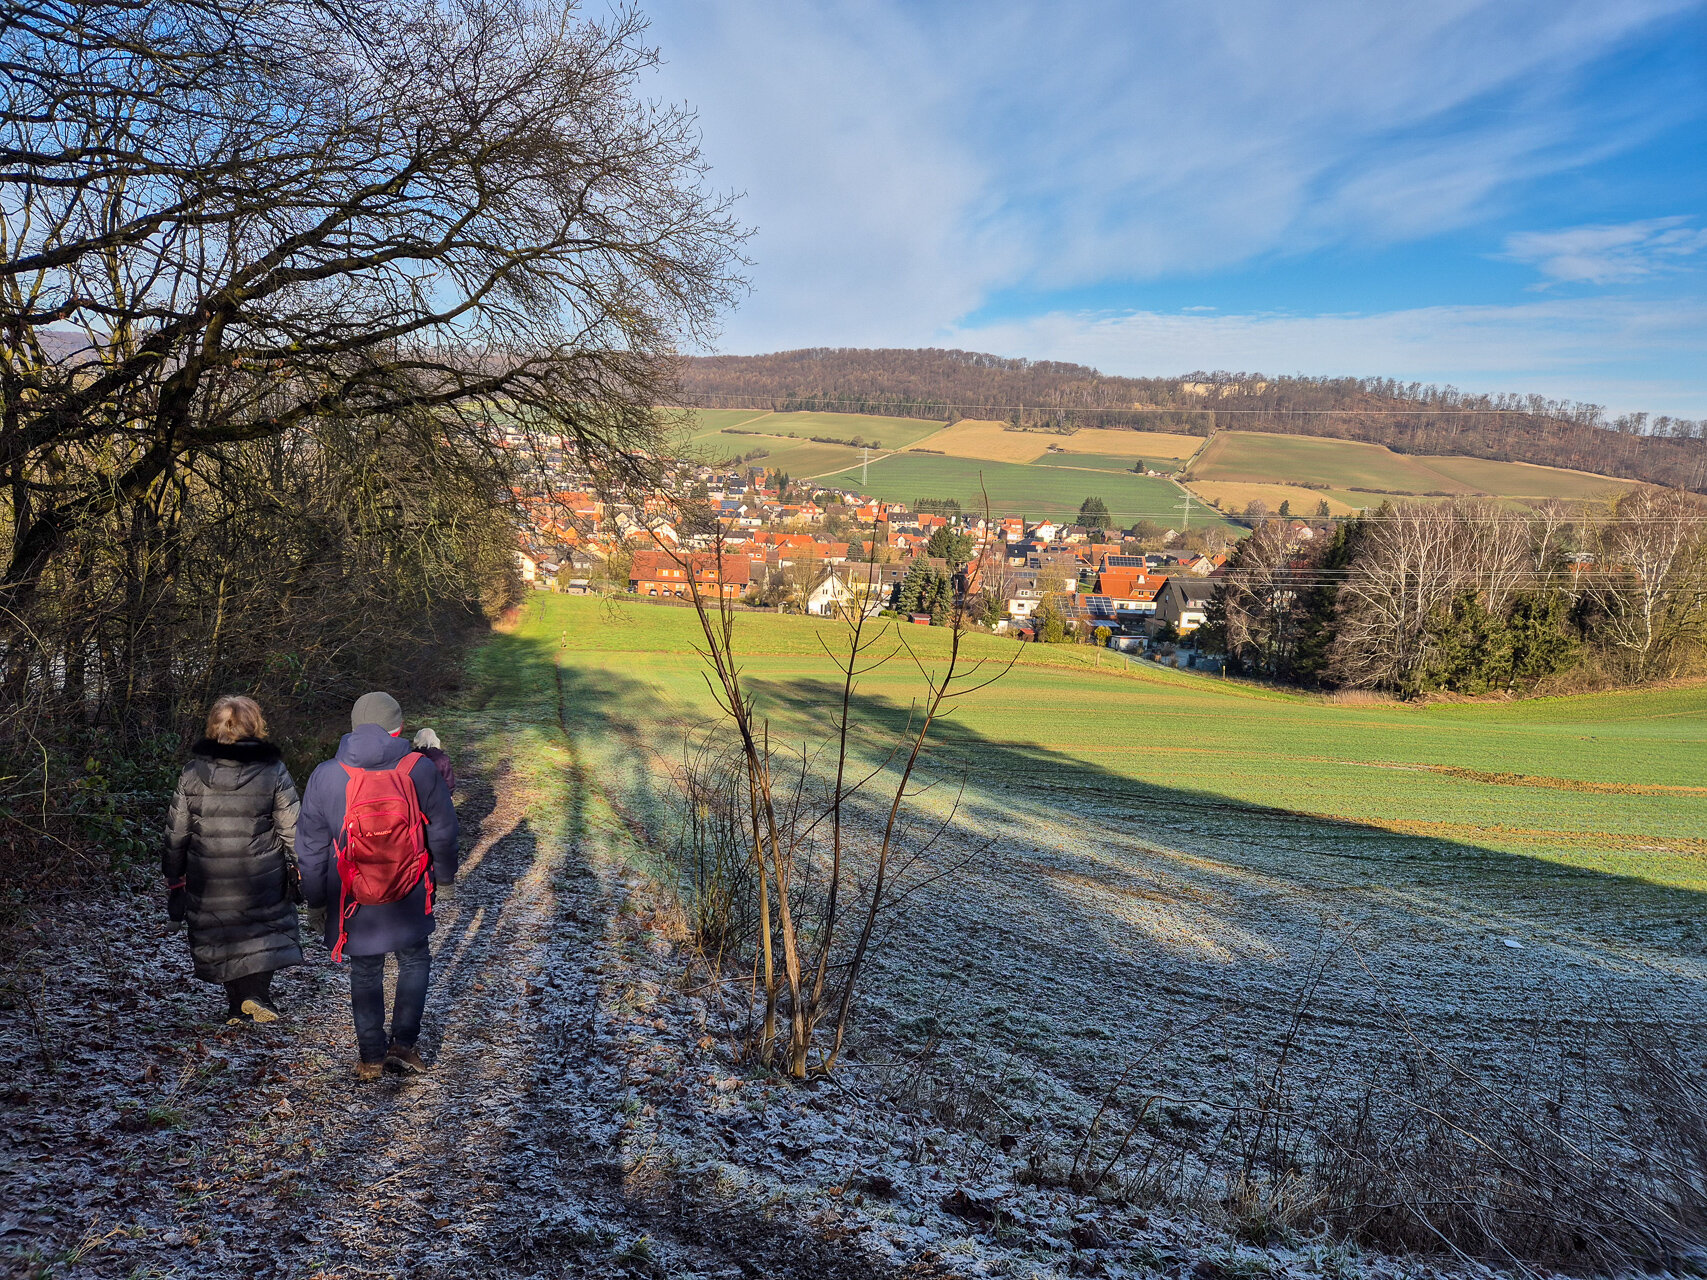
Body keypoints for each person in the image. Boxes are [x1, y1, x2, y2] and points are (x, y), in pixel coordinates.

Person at [297, 691, 459, 1080]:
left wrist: (316, 901)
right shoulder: (419, 768)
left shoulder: (326, 774)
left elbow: (311, 847)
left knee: (365, 971)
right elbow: (444, 829)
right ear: (398, 728)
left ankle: (370, 1056)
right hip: (409, 889)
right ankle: (403, 1047)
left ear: (353, 728)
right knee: (415, 960)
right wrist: (446, 878)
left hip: (352, 897)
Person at [162, 695, 303, 1024]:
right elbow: (292, 826)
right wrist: (302, 865)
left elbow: (177, 830)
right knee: (261, 931)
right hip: (261, 872)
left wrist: (174, 874)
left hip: (208, 873)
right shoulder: (272, 770)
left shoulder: (192, 772)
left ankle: (236, 1005)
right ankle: (256, 996)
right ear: (254, 724)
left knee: (222, 934)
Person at [411, 726, 456, 791]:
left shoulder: (411, 757)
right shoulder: (443, 759)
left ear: (417, 740)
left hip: (415, 793)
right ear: (435, 740)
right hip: (437, 794)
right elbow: (448, 781)